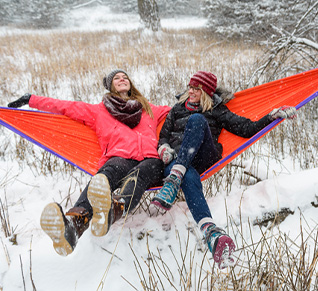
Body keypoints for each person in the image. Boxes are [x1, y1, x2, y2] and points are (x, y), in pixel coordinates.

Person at [8, 69, 170, 256]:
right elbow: (65, 106)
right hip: (119, 158)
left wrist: (208, 97)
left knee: (139, 174)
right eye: (117, 78)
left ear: (130, 83)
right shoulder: (99, 111)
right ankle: (72, 228)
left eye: (125, 77)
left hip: (150, 160)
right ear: (111, 86)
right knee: (104, 177)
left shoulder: (148, 108)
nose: (122, 79)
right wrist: (32, 100)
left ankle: (113, 210)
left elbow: (182, 110)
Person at [150, 71, 296, 269]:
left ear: (206, 93)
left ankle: (175, 179)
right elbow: (164, 137)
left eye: (196, 89)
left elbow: (247, 128)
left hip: (203, 156)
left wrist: (271, 116)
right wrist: (164, 148)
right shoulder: (176, 109)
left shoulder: (217, 110)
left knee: (196, 120)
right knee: (188, 174)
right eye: (190, 87)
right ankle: (212, 234)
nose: (190, 91)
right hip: (177, 162)